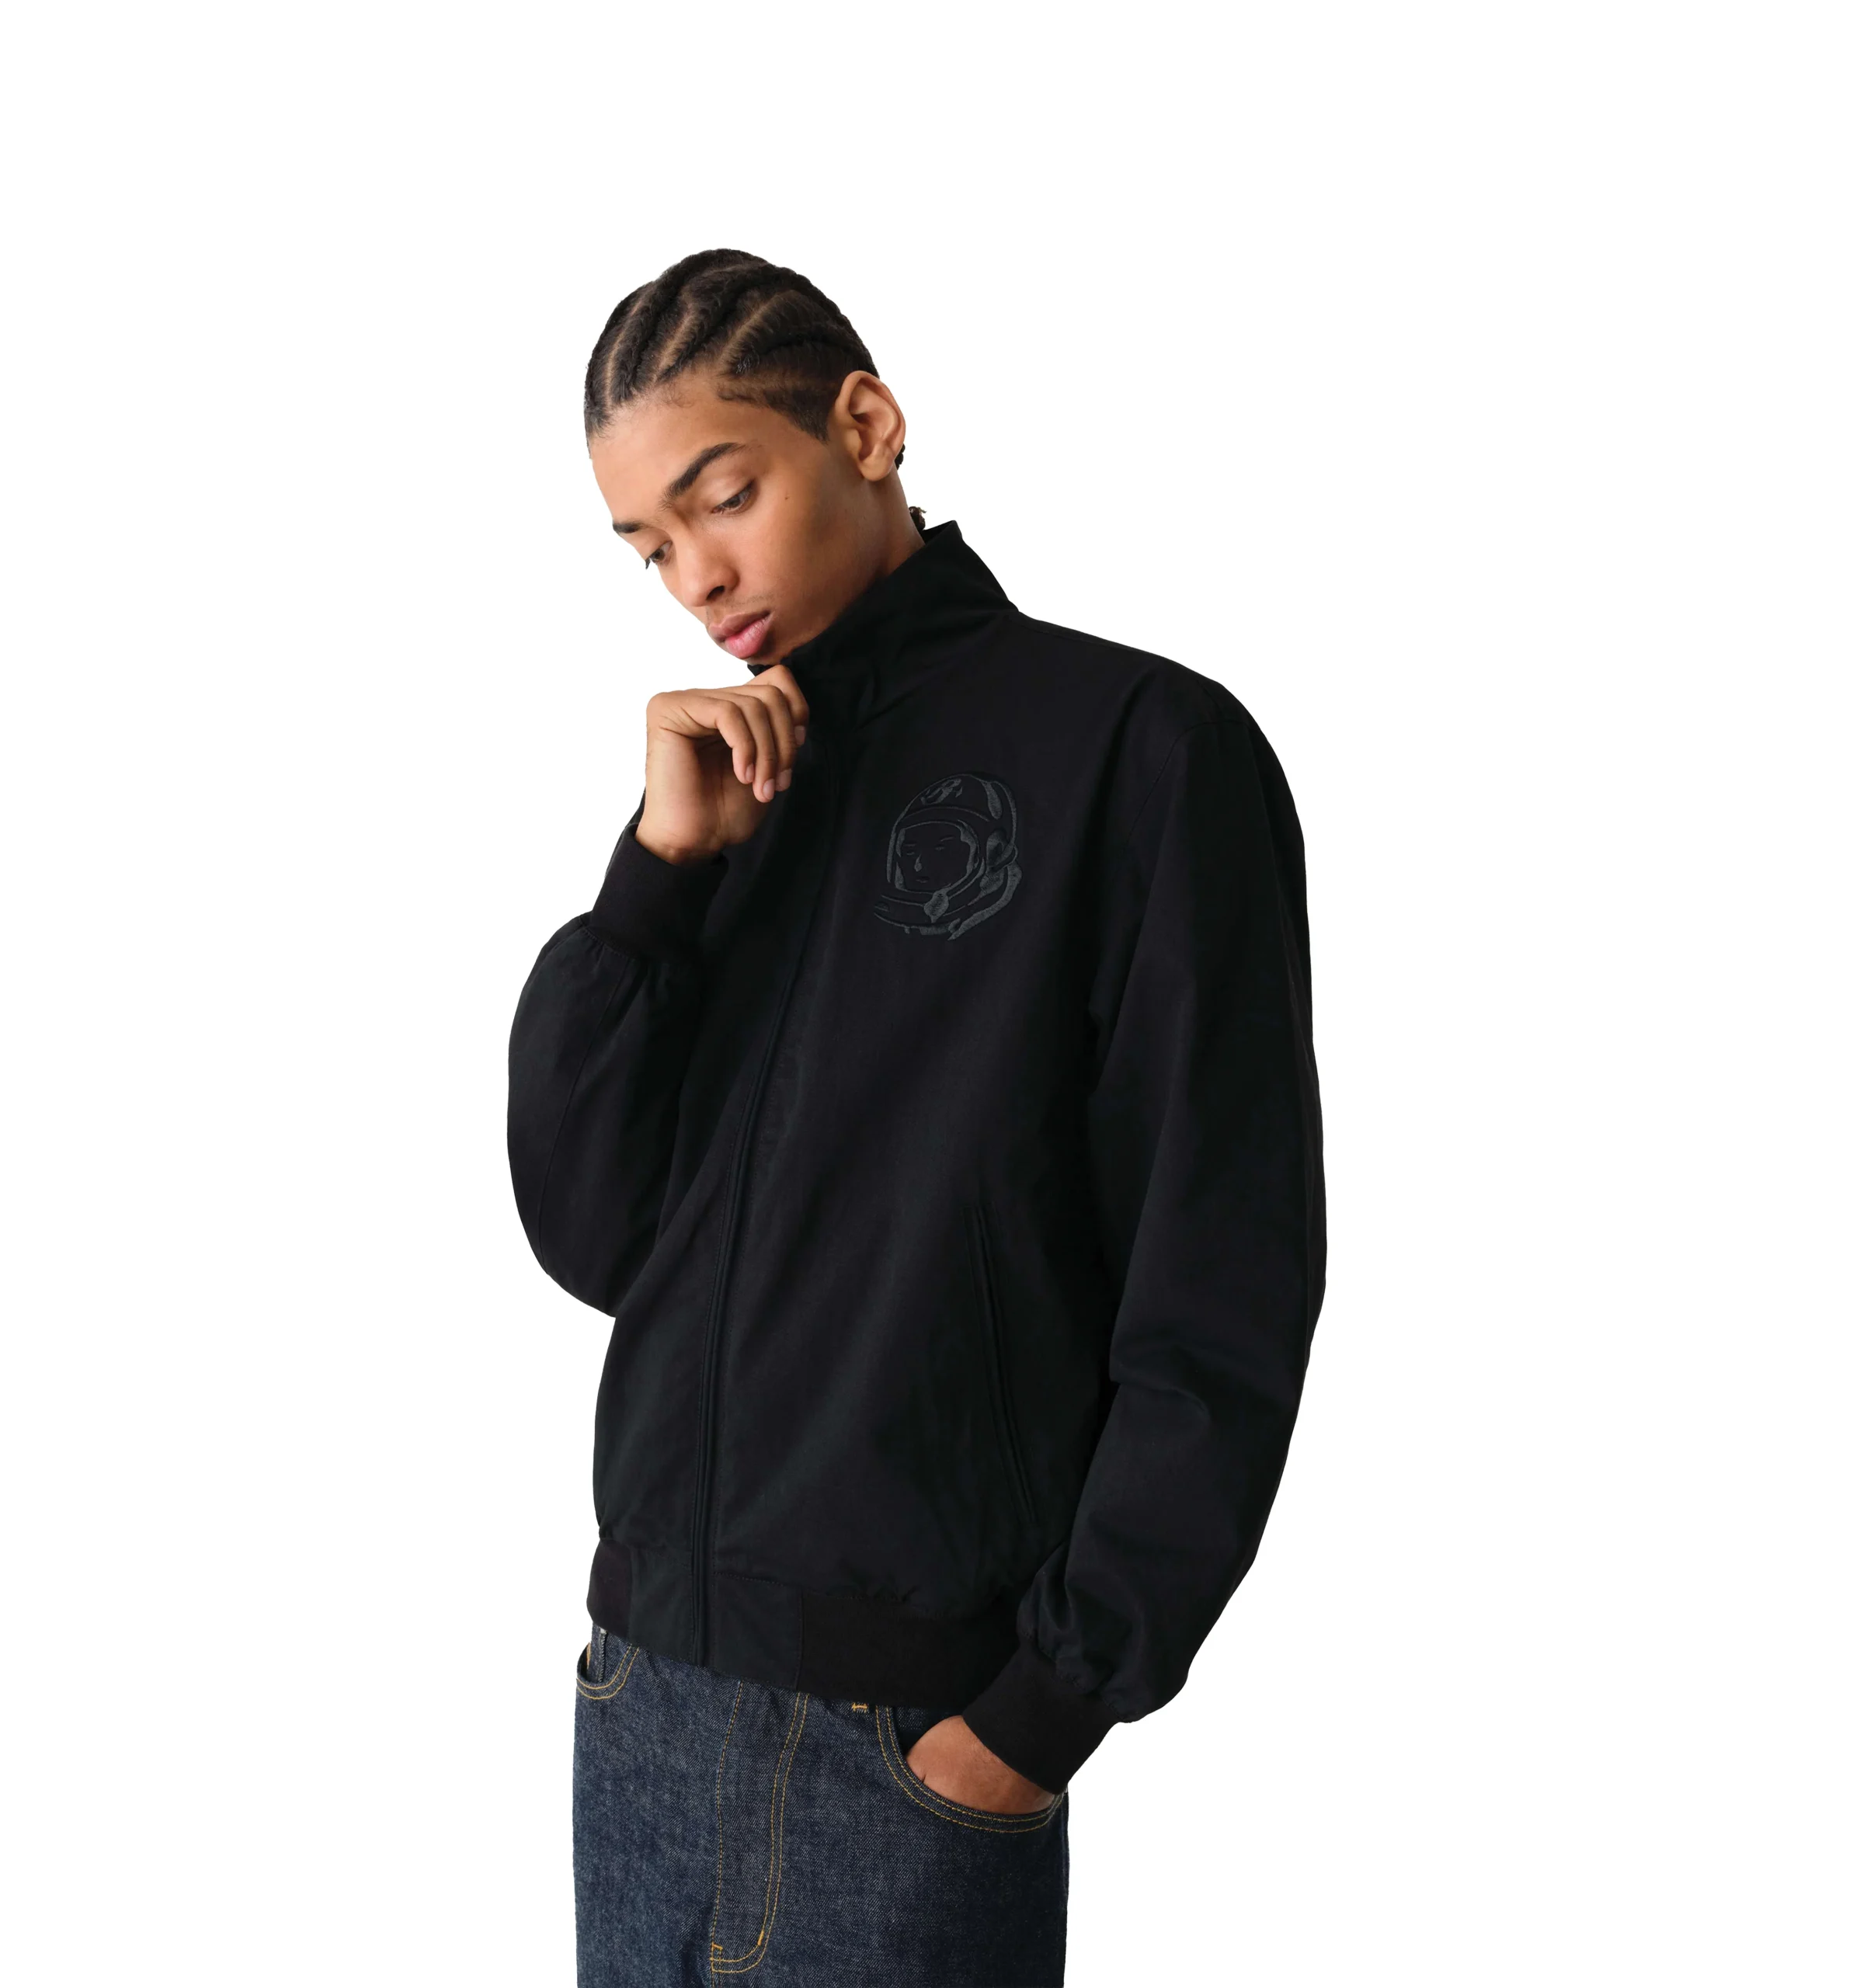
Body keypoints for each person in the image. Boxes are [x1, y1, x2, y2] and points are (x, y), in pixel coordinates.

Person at [506, 248, 1326, 1986]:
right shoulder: (734, 786)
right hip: (642, 1705)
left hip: (913, 1752)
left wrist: (1032, 1716)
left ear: (866, 427)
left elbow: (1224, 1282)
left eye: (723, 496)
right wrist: (655, 880)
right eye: (648, 546)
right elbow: (593, 1235)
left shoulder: (1137, 750)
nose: (696, 575)